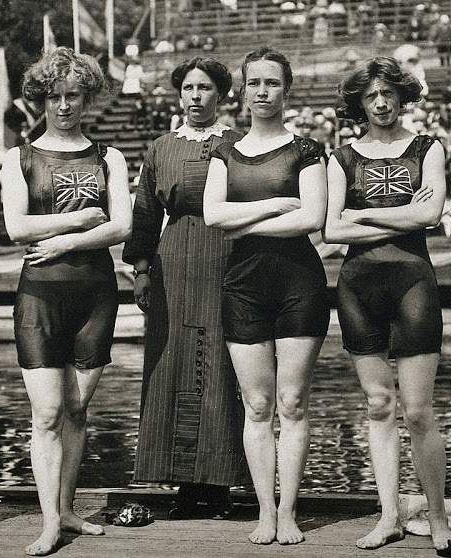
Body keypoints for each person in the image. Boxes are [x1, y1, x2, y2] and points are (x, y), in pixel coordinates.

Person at [1, 47, 132, 556]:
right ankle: (49, 521)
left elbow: (120, 224)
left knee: (77, 408)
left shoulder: (109, 157)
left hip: (96, 294)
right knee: (48, 412)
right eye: (54, 96)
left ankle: (69, 509)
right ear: (40, 98)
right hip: (40, 295)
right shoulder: (20, 157)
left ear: (87, 98)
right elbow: (16, 227)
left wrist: (65, 242)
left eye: (73, 95)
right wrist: (77, 222)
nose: (63, 105)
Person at [323, 56, 451, 551]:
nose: (380, 103)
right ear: (358, 102)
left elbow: (433, 213)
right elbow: (332, 229)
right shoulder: (341, 158)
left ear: (402, 97)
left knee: (419, 410)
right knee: (379, 406)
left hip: (413, 283)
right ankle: (388, 516)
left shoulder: (427, 147)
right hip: (358, 287)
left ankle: (439, 518)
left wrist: (364, 213)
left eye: (388, 94)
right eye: (371, 96)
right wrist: (407, 212)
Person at [203, 46, 329, 545]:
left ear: (287, 89)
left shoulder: (307, 149)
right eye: (254, 83)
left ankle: (291, 509)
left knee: (292, 402)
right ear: (242, 90)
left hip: (299, 285)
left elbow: (313, 219)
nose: (262, 92)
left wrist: (245, 219)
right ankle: (265, 512)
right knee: (257, 406)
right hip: (244, 287)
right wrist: (277, 202)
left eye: (272, 83)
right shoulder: (225, 152)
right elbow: (214, 217)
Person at [122, 56, 249, 520]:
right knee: (172, 366)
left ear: (221, 95)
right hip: (172, 261)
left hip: (225, 260)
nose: (196, 97)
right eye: (189, 89)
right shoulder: (161, 147)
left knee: (218, 366)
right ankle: (181, 484)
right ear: (180, 95)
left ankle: (219, 485)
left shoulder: (238, 143)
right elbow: (144, 215)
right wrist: (140, 270)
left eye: (206, 88)